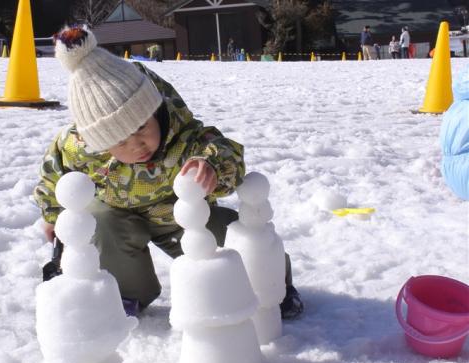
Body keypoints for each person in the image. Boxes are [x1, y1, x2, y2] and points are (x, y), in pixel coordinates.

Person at [34, 25, 304, 319]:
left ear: (155, 111)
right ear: (99, 143)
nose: (137, 145)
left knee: (233, 237)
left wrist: (212, 165)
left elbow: (226, 151)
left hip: (179, 213)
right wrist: (53, 215)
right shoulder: (77, 148)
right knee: (98, 223)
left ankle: (270, 284)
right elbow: (56, 177)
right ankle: (126, 293)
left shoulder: (183, 137)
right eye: (120, 141)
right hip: (116, 216)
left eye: (142, 128)